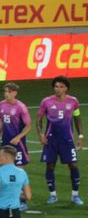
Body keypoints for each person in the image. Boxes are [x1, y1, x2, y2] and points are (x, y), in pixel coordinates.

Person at [36, 75, 83, 205]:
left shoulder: (73, 101)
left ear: (66, 88)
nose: (58, 89)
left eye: (61, 87)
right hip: (51, 140)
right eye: (56, 86)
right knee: (50, 165)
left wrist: (80, 136)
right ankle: (53, 195)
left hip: (67, 139)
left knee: (73, 165)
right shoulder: (46, 102)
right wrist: (40, 134)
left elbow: (77, 118)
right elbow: (38, 119)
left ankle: (75, 195)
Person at [0, 82, 32, 169]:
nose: (7, 94)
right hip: (5, 140)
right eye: (5, 91)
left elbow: (28, 126)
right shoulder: (1, 104)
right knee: (2, 165)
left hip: (17, 142)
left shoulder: (21, 107)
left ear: (15, 93)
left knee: (18, 167)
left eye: (9, 92)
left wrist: (18, 137)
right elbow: (1, 121)